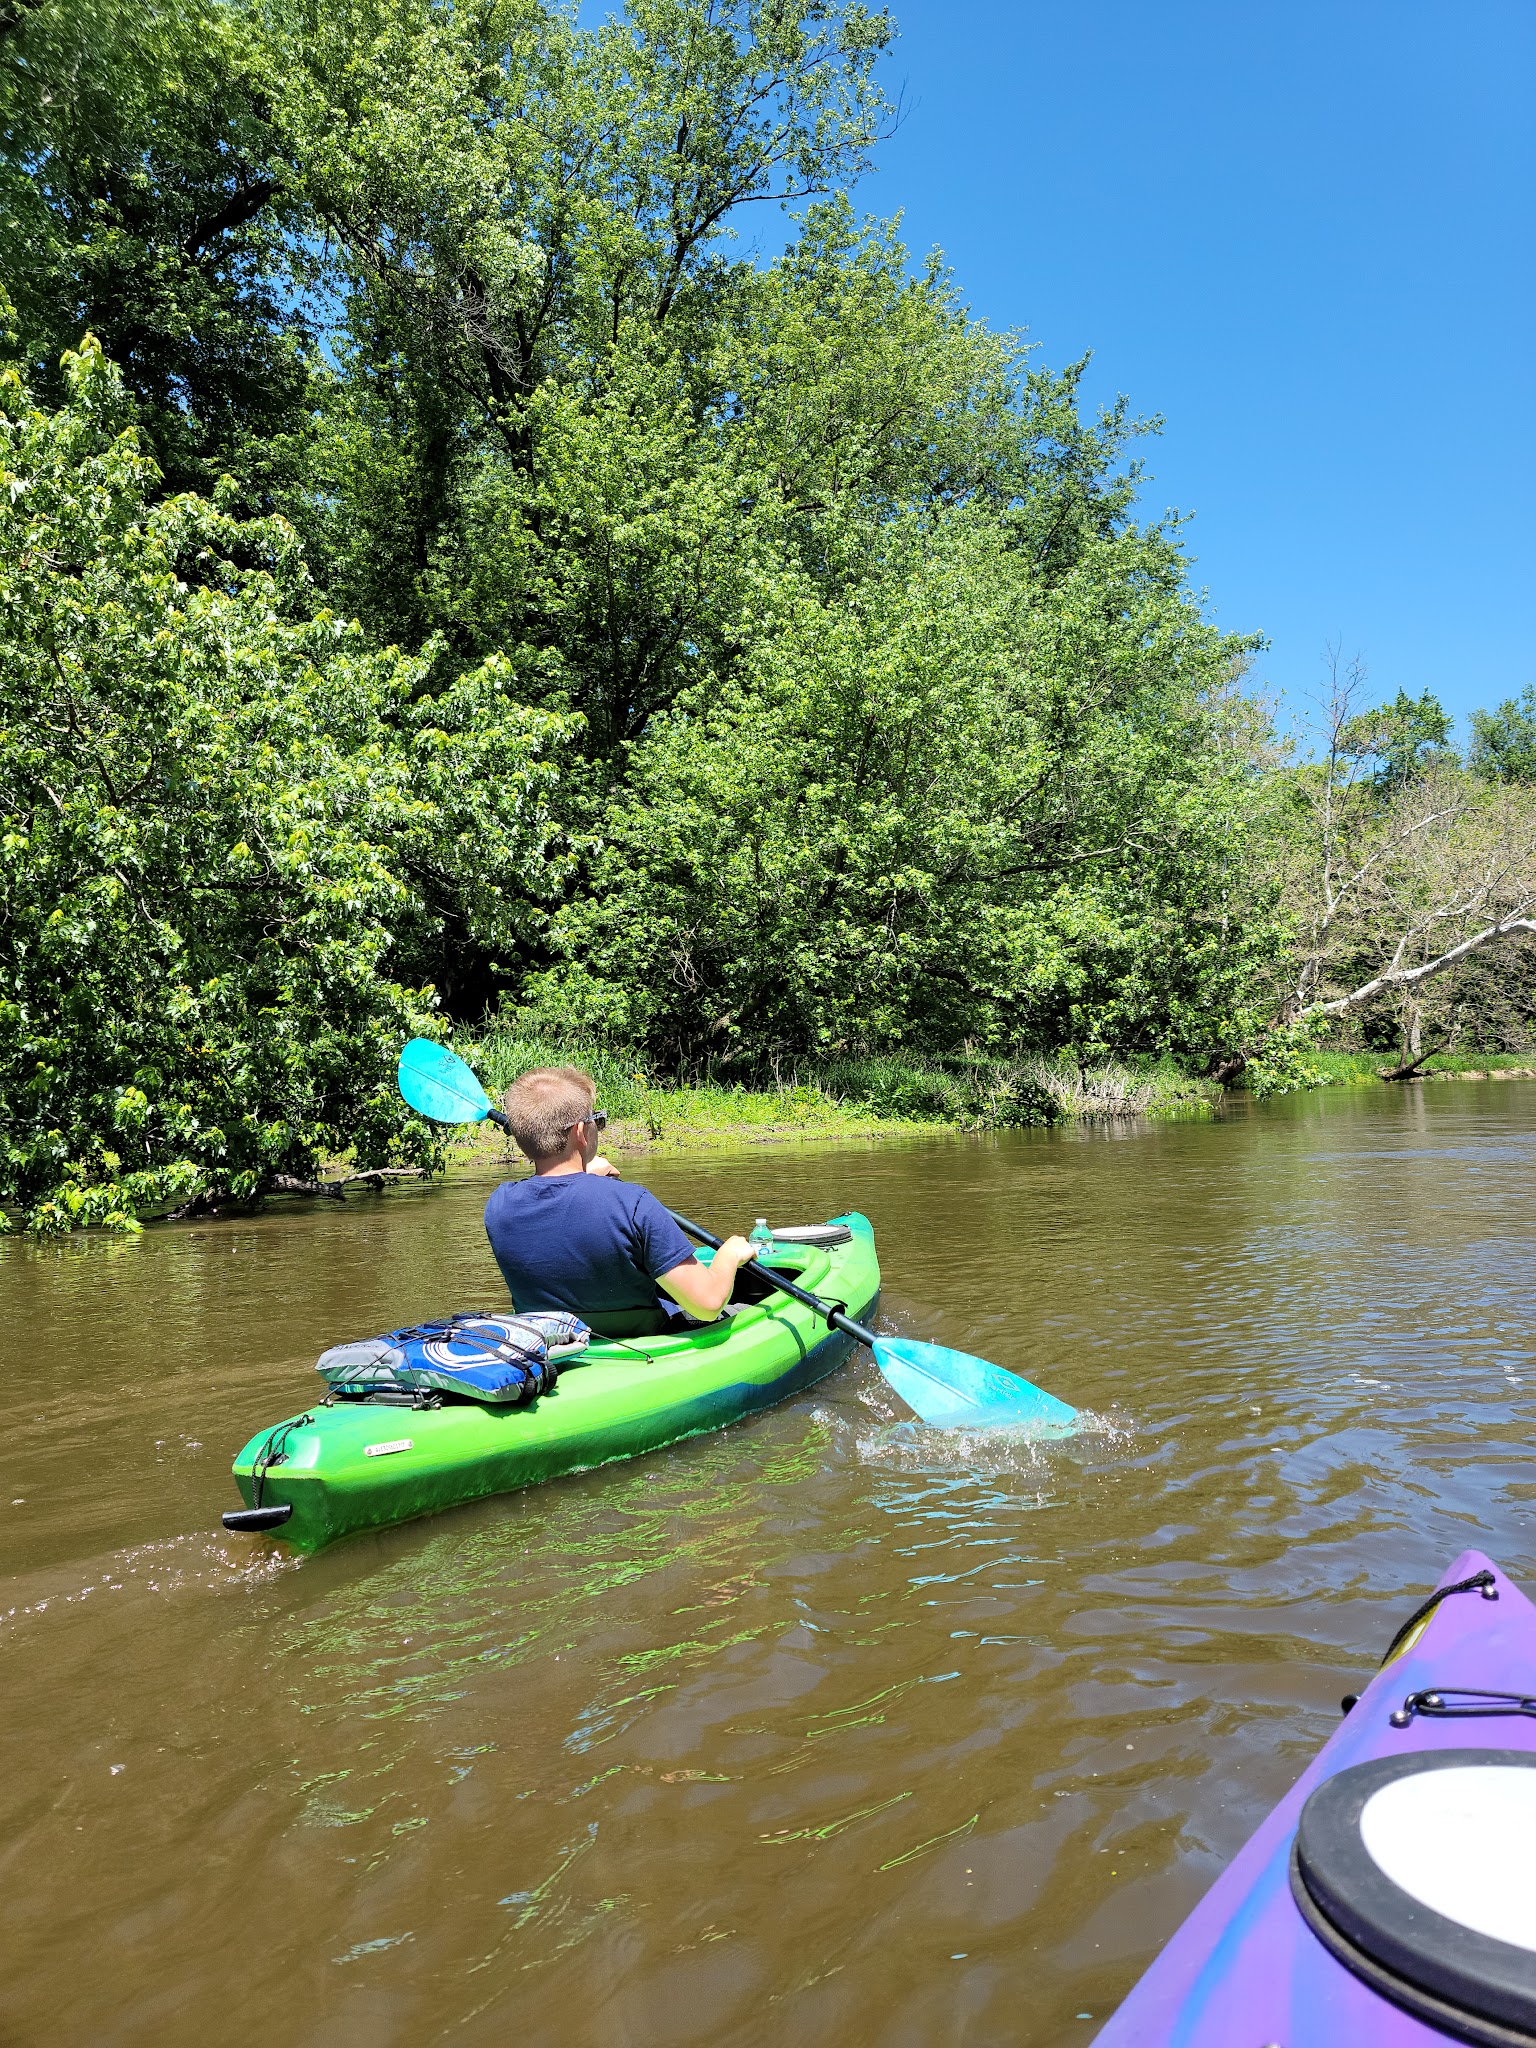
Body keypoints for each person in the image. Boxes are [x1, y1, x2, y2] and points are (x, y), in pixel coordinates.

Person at [483, 1065, 756, 1338]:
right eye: (596, 1120)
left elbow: (557, 1200)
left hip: (554, 1341)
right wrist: (729, 1254)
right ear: (580, 1131)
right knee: (750, 1310)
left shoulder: (499, 1205)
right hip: (644, 1341)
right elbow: (707, 1305)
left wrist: (585, 1175)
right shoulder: (633, 1202)